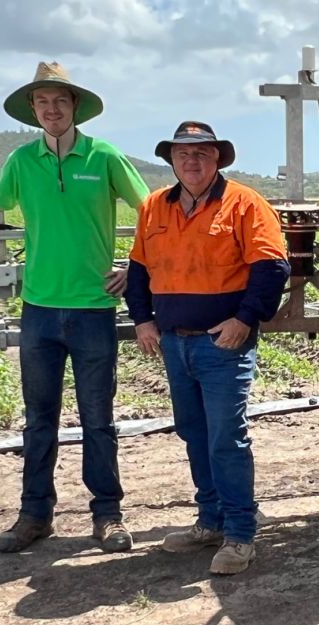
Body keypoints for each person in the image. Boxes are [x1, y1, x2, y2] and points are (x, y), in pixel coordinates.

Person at [0, 62, 149, 555]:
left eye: (60, 100)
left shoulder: (103, 157)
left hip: (93, 308)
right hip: (38, 309)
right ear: (33, 110)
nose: (52, 109)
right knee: (39, 419)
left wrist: (136, 267)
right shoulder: (22, 161)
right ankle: (34, 515)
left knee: (97, 419)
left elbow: (152, 211)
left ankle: (107, 514)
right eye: (43, 102)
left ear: (75, 106)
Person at [124, 121, 290, 575]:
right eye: (182, 154)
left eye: (201, 153)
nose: (191, 161)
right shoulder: (155, 207)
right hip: (175, 344)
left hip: (223, 344)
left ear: (217, 158)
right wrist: (142, 320)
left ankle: (239, 534)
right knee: (194, 434)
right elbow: (138, 270)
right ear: (171, 161)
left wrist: (244, 319)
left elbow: (272, 267)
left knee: (225, 440)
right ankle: (210, 520)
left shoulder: (244, 203)